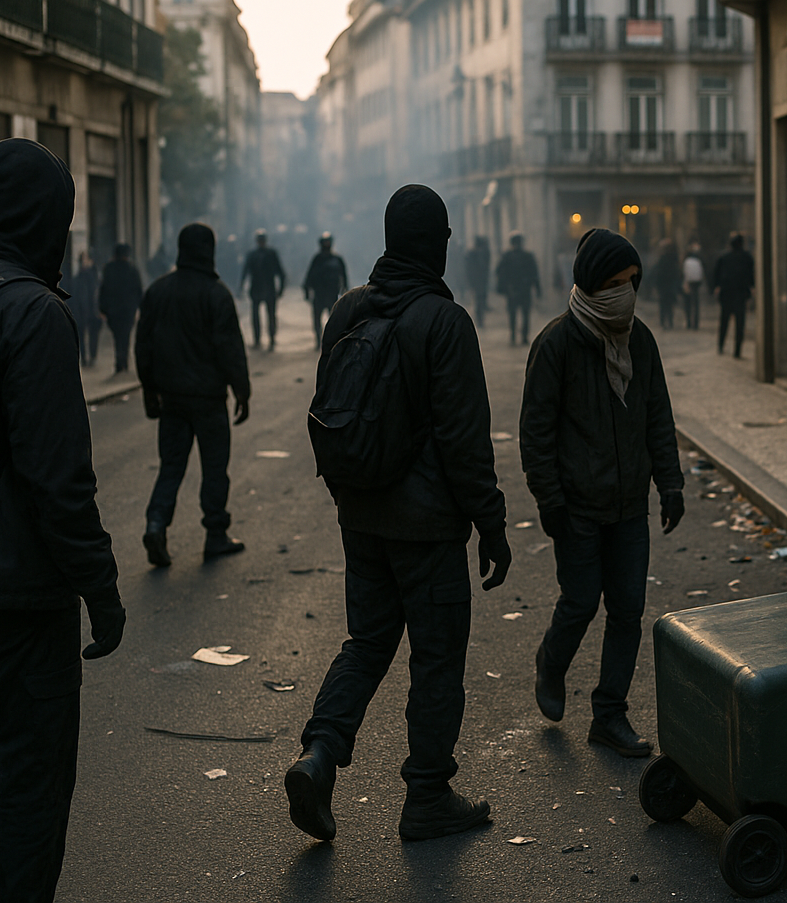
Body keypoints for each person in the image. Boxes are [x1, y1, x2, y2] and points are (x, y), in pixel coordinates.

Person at [287, 184, 512, 844]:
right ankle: (429, 795)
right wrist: (491, 525)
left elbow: (331, 411)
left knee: (368, 641)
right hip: (427, 528)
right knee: (437, 656)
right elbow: (466, 443)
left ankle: (320, 755)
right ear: (439, 244)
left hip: (361, 515)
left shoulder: (349, 311)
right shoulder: (445, 323)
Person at [0, 138, 126, 903]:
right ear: (43, 220)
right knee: (31, 785)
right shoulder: (32, 313)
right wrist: (100, 586)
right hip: (19, 602)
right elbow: (58, 482)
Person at [520, 228, 684, 758]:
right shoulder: (556, 345)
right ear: (591, 284)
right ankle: (552, 661)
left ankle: (609, 715)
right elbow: (536, 434)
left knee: (628, 610)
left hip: (630, 504)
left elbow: (658, 415)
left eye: (632, 282)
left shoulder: (640, 340)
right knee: (580, 601)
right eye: (615, 283)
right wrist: (550, 501)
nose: (625, 293)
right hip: (577, 506)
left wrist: (671, 482)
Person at [135, 223, 251, 566]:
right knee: (215, 468)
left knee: (171, 467)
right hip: (209, 401)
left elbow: (143, 345)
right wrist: (242, 391)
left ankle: (156, 523)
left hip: (172, 399)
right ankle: (215, 535)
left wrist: (149, 388)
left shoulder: (158, 291)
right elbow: (229, 348)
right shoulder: (217, 294)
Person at [97, 242, 142, 373]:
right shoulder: (132, 269)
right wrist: (139, 307)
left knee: (117, 337)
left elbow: (103, 290)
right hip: (128, 310)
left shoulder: (109, 269)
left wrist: (103, 309)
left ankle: (119, 361)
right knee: (126, 336)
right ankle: (124, 362)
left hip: (113, 310)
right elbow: (138, 290)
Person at [302, 232, 350, 349]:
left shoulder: (337, 259)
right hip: (319, 294)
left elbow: (343, 276)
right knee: (317, 320)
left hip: (332, 294)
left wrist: (344, 291)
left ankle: (332, 341)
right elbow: (309, 275)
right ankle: (318, 341)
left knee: (333, 320)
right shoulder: (317, 259)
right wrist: (307, 290)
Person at [711, 233, 755, 359]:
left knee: (724, 321)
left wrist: (717, 287)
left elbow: (716, 275)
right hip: (740, 294)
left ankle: (721, 345)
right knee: (740, 323)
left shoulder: (724, 257)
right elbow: (750, 275)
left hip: (726, 293)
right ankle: (737, 350)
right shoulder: (747, 257)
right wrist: (751, 287)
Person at [240, 229, 286, 350]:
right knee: (257, 316)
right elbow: (245, 272)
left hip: (267, 288)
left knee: (270, 315)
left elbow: (280, 272)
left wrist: (281, 288)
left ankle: (271, 338)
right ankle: (258, 339)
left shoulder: (270, 254)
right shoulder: (254, 255)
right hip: (258, 288)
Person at [494, 232, 541, 346]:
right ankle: (519, 336)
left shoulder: (509, 256)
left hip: (515, 290)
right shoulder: (525, 256)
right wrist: (538, 289)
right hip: (519, 290)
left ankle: (516, 336)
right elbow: (534, 274)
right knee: (520, 314)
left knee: (516, 314)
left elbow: (498, 271)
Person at [66, 249, 102, 366]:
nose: (83, 263)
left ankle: (92, 357)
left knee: (93, 335)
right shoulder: (78, 278)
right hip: (81, 310)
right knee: (81, 335)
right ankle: (85, 358)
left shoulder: (94, 275)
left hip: (92, 310)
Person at [652, 238, 680, 330]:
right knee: (669, 304)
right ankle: (669, 321)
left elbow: (658, 274)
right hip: (669, 285)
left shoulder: (663, 259)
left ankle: (663, 321)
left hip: (664, 286)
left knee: (663, 305)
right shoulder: (673, 259)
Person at [465, 235, 491, 324]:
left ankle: (480, 317)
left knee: (479, 299)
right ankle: (480, 318)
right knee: (479, 300)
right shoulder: (476, 253)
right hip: (479, 280)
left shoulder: (473, 253)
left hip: (478, 280)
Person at [681, 242, 704, 329]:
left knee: (688, 304)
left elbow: (683, 273)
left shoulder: (686, 260)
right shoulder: (699, 259)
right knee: (696, 304)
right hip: (696, 283)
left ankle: (689, 322)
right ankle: (695, 323)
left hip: (688, 283)